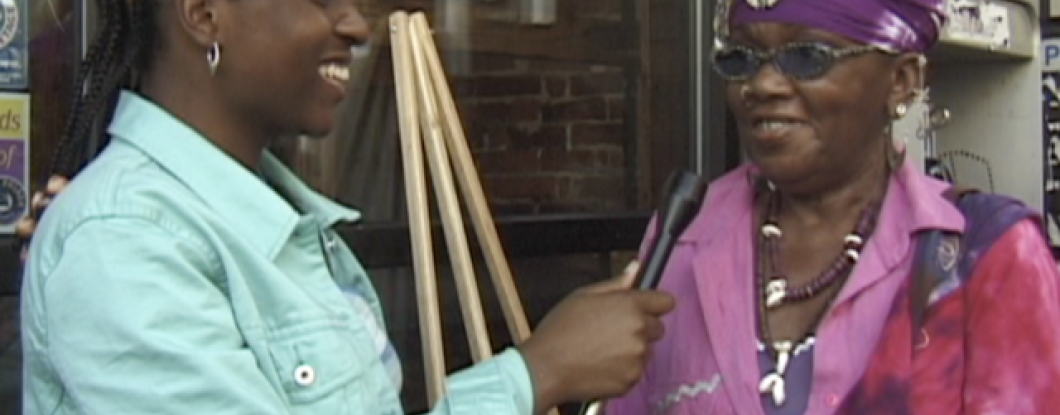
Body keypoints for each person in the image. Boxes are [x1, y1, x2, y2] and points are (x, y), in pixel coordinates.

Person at [18, 1, 676, 414]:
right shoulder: (126, 241)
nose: (357, 24)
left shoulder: (281, 223)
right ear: (204, 14)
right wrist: (537, 373)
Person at [605, 0, 1060, 414]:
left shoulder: (988, 257)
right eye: (740, 59)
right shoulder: (683, 237)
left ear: (902, 82)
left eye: (807, 57)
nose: (762, 84)